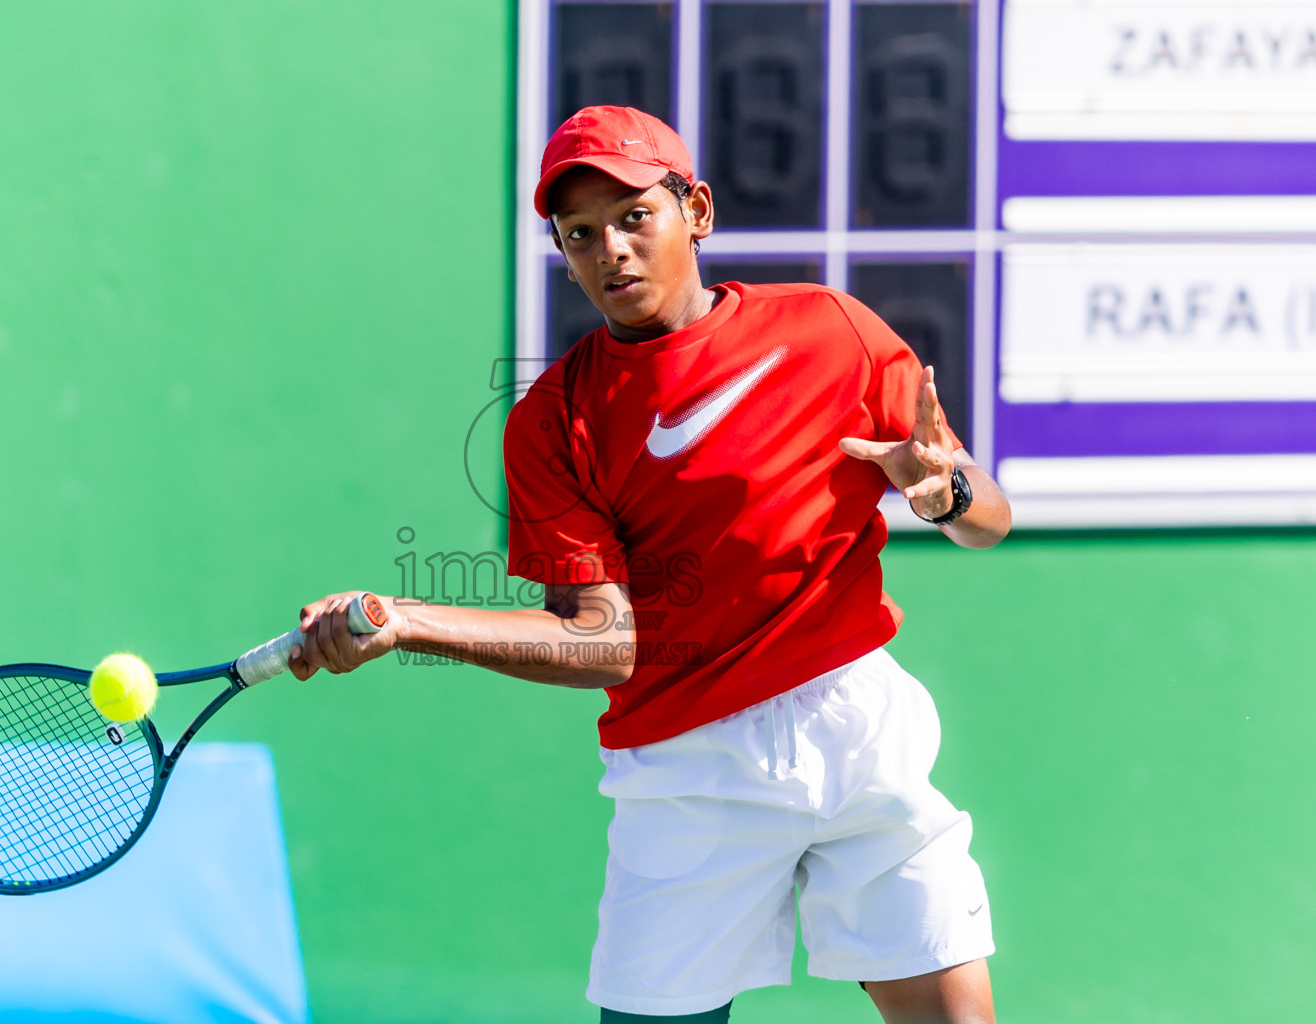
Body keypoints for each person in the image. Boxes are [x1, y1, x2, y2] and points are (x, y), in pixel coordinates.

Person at [289, 105, 1011, 1023]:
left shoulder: (833, 332)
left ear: (696, 212)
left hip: (860, 726)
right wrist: (409, 620)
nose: (611, 251)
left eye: (635, 217)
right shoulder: (553, 422)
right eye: (580, 234)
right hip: (689, 771)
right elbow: (604, 642)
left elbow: (989, 518)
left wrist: (942, 493)